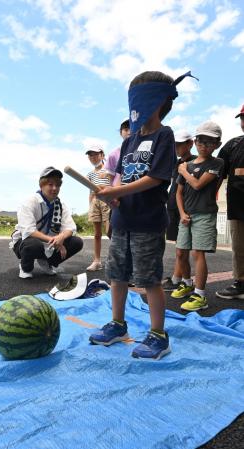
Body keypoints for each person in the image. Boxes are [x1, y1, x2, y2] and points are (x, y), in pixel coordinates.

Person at [89, 70, 198, 360]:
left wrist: (117, 193)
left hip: (148, 222)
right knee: (117, 275)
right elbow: (121, 179)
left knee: (149, 279)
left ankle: (158, 335)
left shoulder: (165, 135)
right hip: (123, 220)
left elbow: (156, 178)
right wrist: (113, 197)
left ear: (157, 101)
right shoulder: (129, 141)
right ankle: (117, 324)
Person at [171, 121, 224, 311]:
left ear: (217, 144)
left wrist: (184, 171)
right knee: (180, 252)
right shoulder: (188, 164)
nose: (204, 145)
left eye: (210, 142)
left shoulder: (216, 163)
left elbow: (198, 184)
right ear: (195, 141)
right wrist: (182, 213)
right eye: (201, 140)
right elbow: (178, 193)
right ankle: (187, 283)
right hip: (186, 215)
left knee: (197, 253)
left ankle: (200, 295)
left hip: (204, 215)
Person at [11, 167, 83, 279]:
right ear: (42, 185)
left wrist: (61, 237)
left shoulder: (60, 205)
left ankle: (48, 262)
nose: (54, 188)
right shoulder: (29, 202)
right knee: (33, 245)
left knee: (76, 242)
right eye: (50, 184)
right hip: (25, 241)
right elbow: (29, 231)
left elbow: (71, 228)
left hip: (50, 243)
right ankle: (25, 267)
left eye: (58, 185)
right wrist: (54, 240)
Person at [216, 105, 244, 300]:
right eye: (242, 118)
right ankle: (241, 282)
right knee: (240, 246)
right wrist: (210, 198)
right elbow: (218, 172)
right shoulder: (233, 145)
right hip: (238, 207)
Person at [162, 130, 195, 291]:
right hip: (173, 207)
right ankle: (179, 278)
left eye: (181, 144)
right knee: (178, 245)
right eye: (176, 144)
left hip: (187, 209)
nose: (177, 147)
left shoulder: (196, 162)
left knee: (183, 249)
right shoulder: (175, 163)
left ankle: (177, 278)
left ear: (190, 144)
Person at [85, 144, 111, 271]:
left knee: (110, 231)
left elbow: (113, 185)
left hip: (107, 200)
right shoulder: (90, 174)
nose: (93, 157)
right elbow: (91, 192)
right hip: (95, 201)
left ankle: (118, 258)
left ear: (102, 155)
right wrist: (90, 206)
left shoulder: (109, 169)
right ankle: (97, 261)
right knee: (96, 234)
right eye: (90, 155)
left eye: (95, 154)